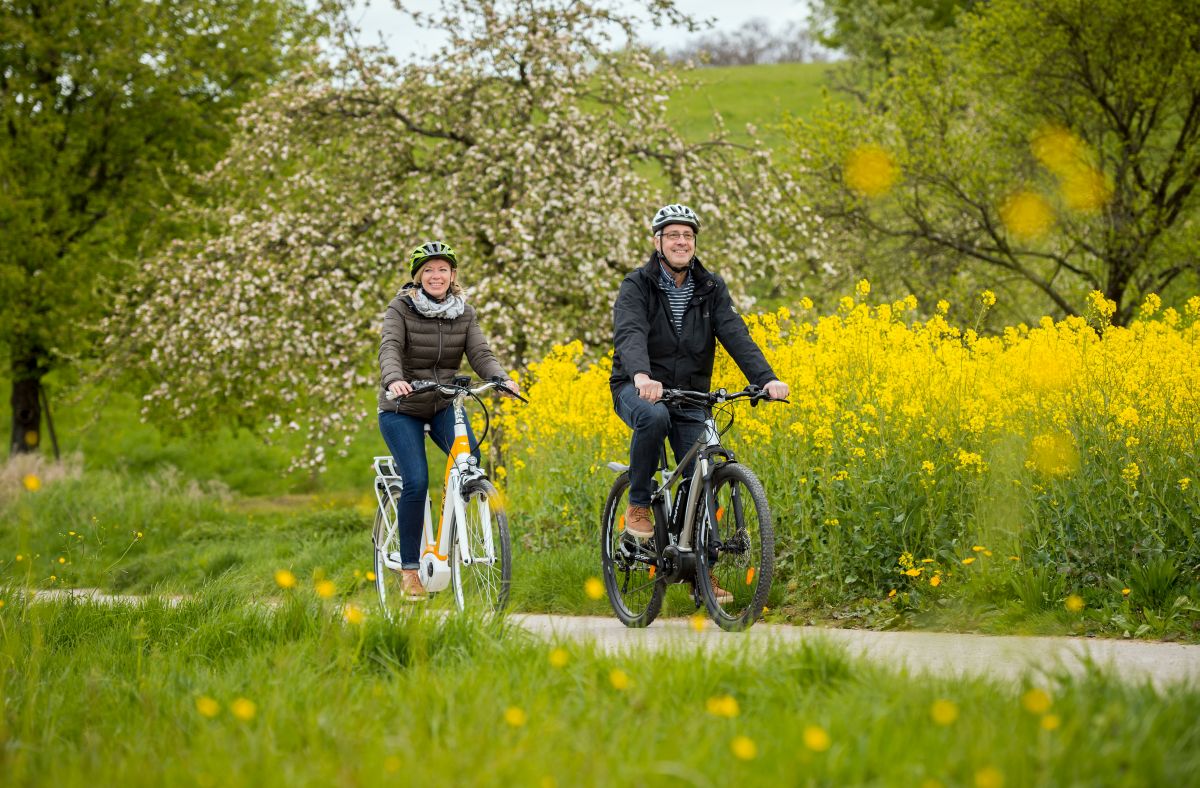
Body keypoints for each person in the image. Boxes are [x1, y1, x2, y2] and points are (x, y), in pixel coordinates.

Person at [610, 204, 790, 600]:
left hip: (690, 393)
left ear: (694, 243)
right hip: (636, 387)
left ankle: (699, 575)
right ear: (658, 241)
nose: (681, 242)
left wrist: (766, 379)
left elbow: (735, 333)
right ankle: (639, 504)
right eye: (673, 235)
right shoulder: (637, 285)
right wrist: (641, 375)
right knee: (653, 418)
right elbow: (630, 332)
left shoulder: (710, 287)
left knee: (703, 469)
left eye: (687, 236)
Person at [378, 241, 520, 599]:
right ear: (418, 277)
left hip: (443, 404)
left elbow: (480, 353)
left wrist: (501, 377)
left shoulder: (464, 312)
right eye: (428, 270)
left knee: (468, 460)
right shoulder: (401, 308)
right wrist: (394, 378)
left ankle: (450, 537)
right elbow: (390, 347)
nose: (436, 276)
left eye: (442, 269)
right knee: (417, 480)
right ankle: (410, 569)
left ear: (452, 275)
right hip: (402, 407)